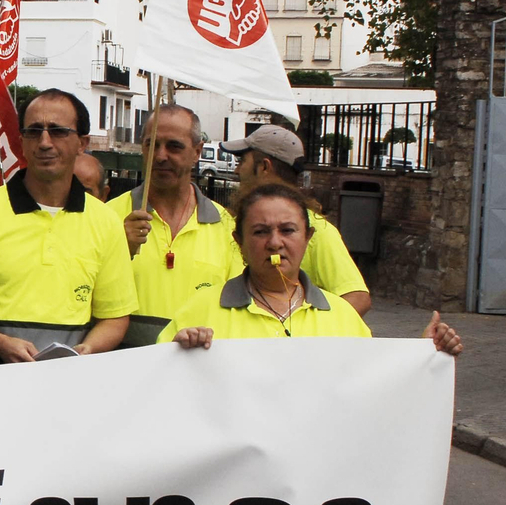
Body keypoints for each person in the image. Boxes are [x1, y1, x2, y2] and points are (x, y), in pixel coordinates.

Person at [0, 90, 137, 362]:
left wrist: (88, 350)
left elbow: (115, 316)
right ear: (22, 141)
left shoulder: (106, 222)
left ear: (82, 143)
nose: (45, 142)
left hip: (66, 388)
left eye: (58, 131)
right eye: (34, 131)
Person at [163, 182, 463, 355]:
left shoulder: (342, 316)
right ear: (238, 241)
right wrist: (179, 352)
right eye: (260, 231)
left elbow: (373, 388)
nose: (274, 242)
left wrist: (426, 356)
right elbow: (158, 381)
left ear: (308, 239)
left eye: (288, 230)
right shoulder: (201, 309)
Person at [108, 106, 241, 345]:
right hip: (127, 365)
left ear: (197, 151)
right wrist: (120, 250)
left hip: (199, 365)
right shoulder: (109, 216)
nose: (160, 156)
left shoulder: (226, 226)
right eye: (152, 144)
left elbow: (237, 308)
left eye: (174, 146)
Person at [221, 124, 373, 316]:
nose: (237, 171)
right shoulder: (229, 220)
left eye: (242, 161)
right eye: (260, 231)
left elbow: (357, 297)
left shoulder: (316, 228)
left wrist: (305, 338)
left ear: (264, 167)